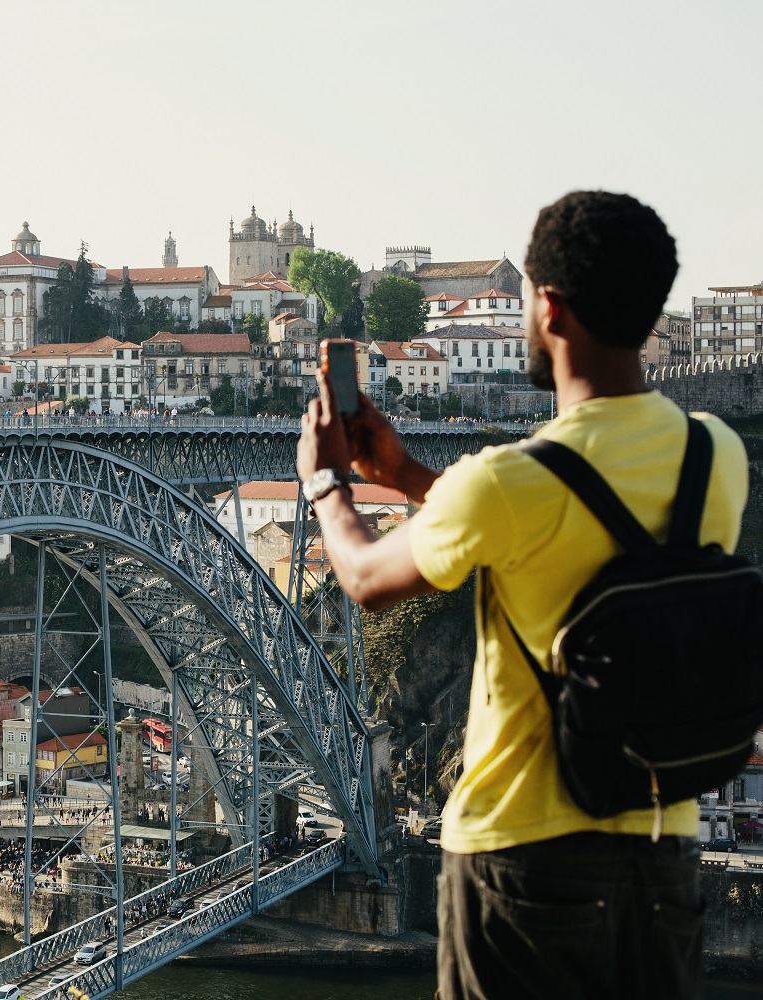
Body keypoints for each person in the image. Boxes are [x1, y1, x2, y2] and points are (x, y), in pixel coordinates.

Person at [295, 191, 745, 1000]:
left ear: (549, 307)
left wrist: (327, 482)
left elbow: (364, 580)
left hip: (522, 867)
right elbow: (569, 533)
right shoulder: (716, 457)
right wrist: (406, 477)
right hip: (660, 861)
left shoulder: (504, 482)